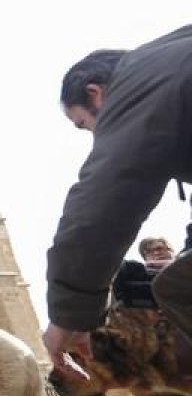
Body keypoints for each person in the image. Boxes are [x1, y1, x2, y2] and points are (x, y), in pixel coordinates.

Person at [44, 26, 192, 375]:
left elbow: (104, 201)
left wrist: (68, 312)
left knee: (179, 288)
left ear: (96, 94)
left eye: (85, 124)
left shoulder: (137, 88)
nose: (98, 136)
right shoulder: (171, 64)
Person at [111, 237, 175, 308]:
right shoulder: (138, 270)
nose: (156, 253)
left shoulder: (181, 265)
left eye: (159, 249)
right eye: (149, 252)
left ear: (169, 250)